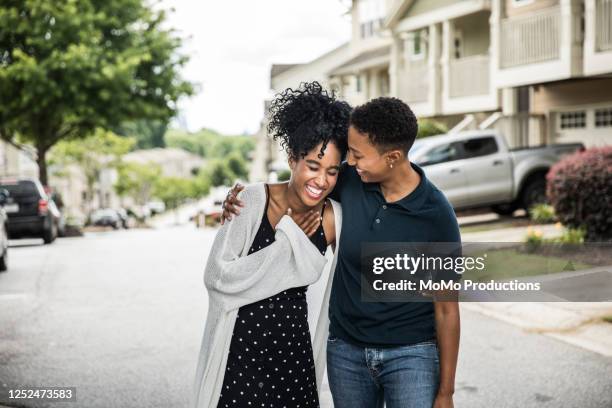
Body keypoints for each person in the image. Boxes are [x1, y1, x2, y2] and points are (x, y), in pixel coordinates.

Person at [222, 97, 461, 408]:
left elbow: (447, 309)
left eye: (358, 155)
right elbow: (301, 182)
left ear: (392, 157)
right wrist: (246, 198)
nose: (351, 161)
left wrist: (446, 393)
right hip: (346, 353)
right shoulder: (350, 180)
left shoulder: (436, 214)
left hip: (411, 354)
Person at [192, 81, 352, 408]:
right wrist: (285, 244)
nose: (321, 181)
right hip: (239, 352)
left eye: (332, 172)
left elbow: (359, 273)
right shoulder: (252, 200)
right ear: (293, 159)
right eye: (313, 166)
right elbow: (217, 277)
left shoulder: (332, 219)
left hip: (293, 356)